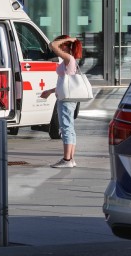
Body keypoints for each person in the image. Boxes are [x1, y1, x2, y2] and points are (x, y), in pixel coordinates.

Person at [40, 35, 83, 168]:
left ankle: (67, 159)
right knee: (69, 128)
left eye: (62, 44)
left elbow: (52, 45)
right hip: (68, 97)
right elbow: (64, 84)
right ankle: (70, 159)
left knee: (66, 128)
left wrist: (68, 40)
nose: (59, 47)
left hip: (66, 100)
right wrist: (50, 91)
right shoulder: (71, 61)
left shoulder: (68, 59)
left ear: (66, 46)